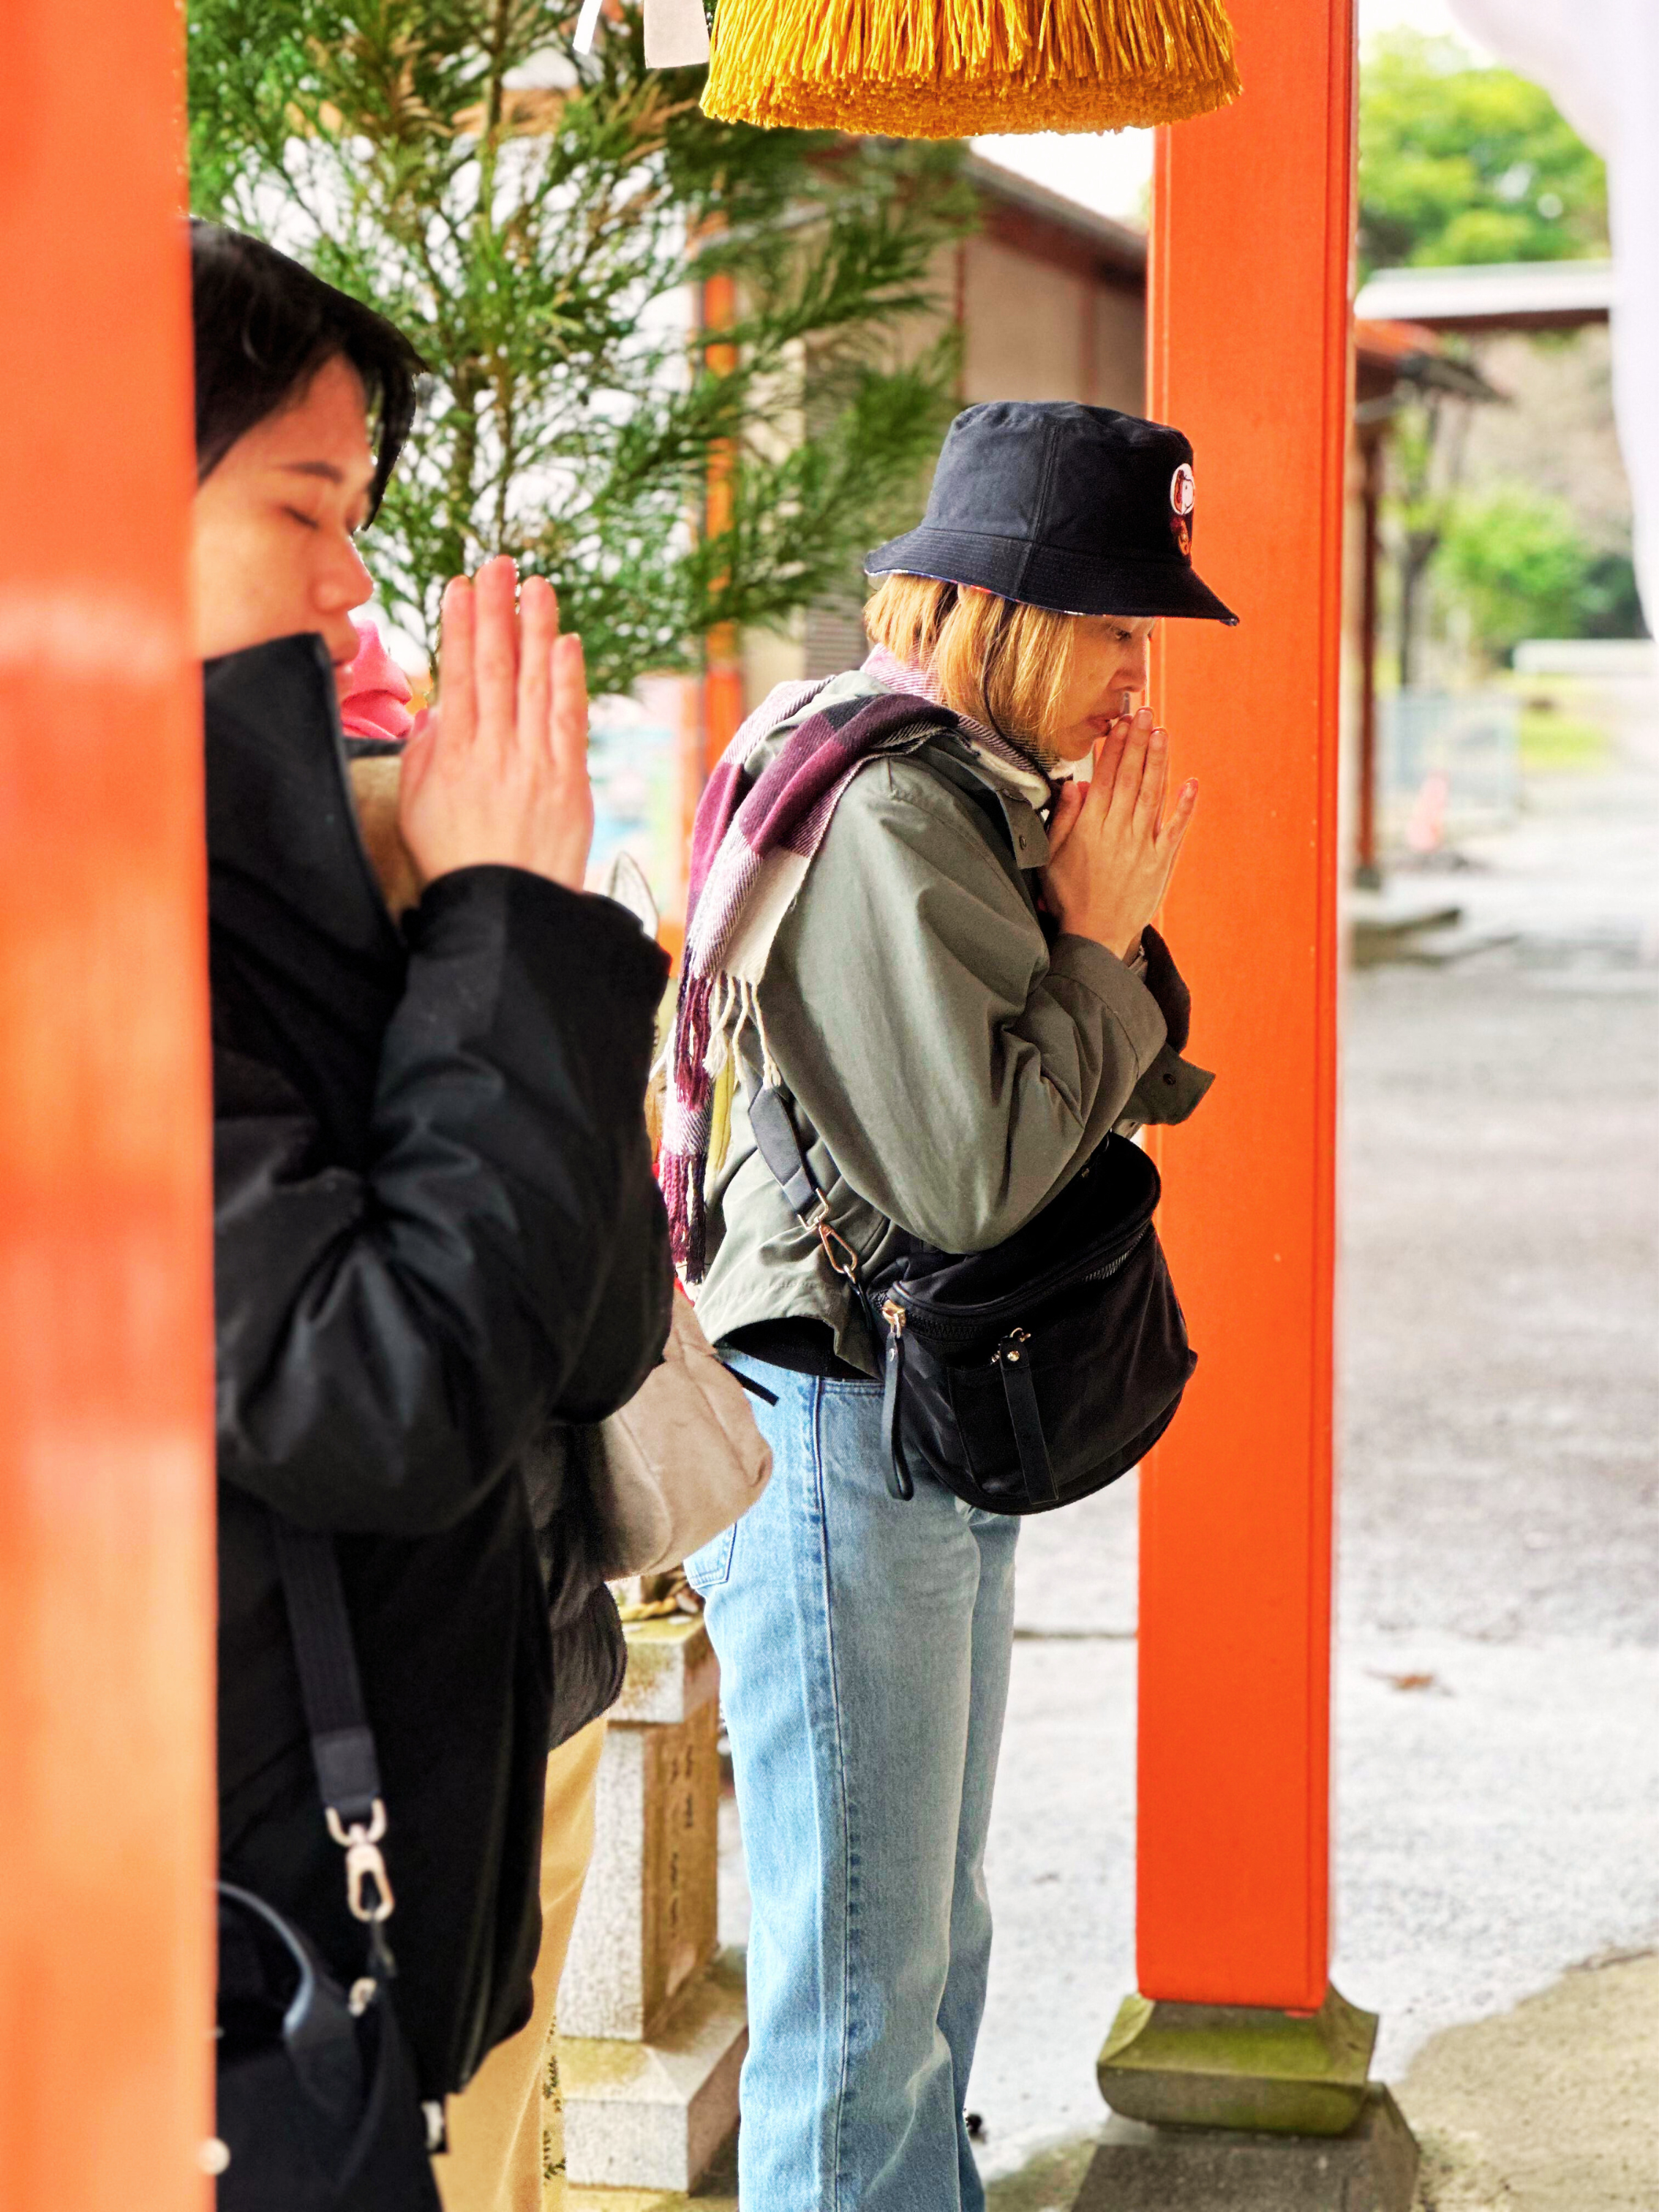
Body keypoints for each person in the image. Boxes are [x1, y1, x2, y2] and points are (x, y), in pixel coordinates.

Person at [667, 402, 1230, 2212]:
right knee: (862, 1993)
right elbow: (970, 1177)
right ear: (1008, 612)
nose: (1140, 678)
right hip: (837, 1411)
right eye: (1118, 631)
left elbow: (1103, 1094)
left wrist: (1099, 920)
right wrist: (1092, 932)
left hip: (900, 1404)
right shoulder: (894, 799)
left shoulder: (956, 777)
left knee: (926, 1951)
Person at [193, 218, 672, 2197]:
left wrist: (487, 932)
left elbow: (599, 1330)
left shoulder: (298, 852)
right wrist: (495, 930)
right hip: (233, 1943)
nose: (348, 576)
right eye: (303, 506)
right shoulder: (72, 893)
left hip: (386, 1873)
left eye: (361, 512)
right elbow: (376, 1396)